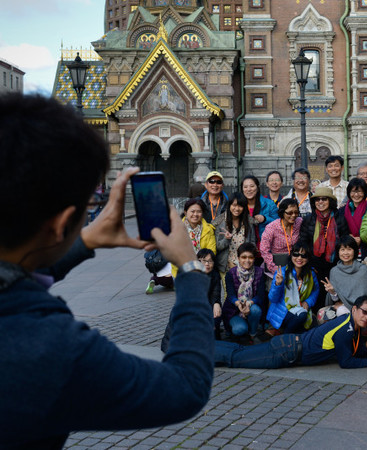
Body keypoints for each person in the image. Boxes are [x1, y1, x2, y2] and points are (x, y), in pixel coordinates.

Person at [0, 93, 213, 447]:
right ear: (63, 222)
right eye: (89, 206)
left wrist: (86, 240)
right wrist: (189, 268)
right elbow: (184, 388)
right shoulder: (45, 346)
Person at [214, 296, 367, 369]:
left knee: (240, 352)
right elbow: (346, 361)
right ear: (354, 310)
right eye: (364, 312)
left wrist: (366, 343)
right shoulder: (346, 329)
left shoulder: (349, 325)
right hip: (286, 352)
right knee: (236, 358)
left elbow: (353, 348)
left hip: (288, 345)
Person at [300, 187, 349, 311]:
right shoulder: (308, 219)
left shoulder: (339, 218)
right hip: (314, 265)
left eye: (324, 199)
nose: (320, 202)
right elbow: (304, 242)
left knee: (333, 294)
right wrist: (310, 263)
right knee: (317, 294)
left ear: (330, 201)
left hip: (334, 264)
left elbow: (344, 241)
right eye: (317, 200)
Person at [162, 249, 222, 349]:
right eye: (203, 261)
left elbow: (215, 294)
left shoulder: (214, 275)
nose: (207, 264)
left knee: (216, 314)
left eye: (210, 261)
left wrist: (216, 303)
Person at [267, 243, 318, 335]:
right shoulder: (282, 272)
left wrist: (307, 302)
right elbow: (272, 298)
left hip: (301, 307)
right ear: (291, 255)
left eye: (303, 255)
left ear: (308, 258)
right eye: (296, 254)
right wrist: (277, 284)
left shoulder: (311, 274)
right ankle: (285, 337)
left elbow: (315, 291)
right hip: (282, 312)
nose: (299, 258)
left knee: (305, 326)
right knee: (302, 316)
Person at [223, 243, 266, 342]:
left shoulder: (259, 272)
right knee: (240, 329)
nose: (247, 260)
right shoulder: (231, 273)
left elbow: (260, 295)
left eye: (250, 257)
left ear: (254, 258)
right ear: (238, 258)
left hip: (251, 306)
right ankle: (242, 326)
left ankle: (252, 333)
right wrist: (239, 305)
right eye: (244, 257)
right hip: (234, 310)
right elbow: (230, 295)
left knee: (255, 310)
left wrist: (248, 303)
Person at [321, 236, 367, 316]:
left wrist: (345, 305)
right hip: (341, 308)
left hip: (360, 310)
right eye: (342, 249)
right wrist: (332, 292)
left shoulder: (362, 270)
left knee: (341, 310)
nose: (345, 253)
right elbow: (335, 299)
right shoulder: (334, 271)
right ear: (338, 252)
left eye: (349, 249)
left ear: (355, 251)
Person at [172, 198, 216, 277]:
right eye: (192, 211)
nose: (195, 214)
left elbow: (211, 252)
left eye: (199, 211)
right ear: (185, 212)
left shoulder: (208, 230)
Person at [213, 193, 256, 274]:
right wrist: (226, 239)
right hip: (227, 266)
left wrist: (246, 261)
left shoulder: (248, 223)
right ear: (229, 205)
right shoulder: (221, 223)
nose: (237, 209)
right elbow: (217, 247)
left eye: (240, 206)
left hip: (245, 266)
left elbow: (253, 243)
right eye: (234, 205)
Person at [260, 198, 302, 276]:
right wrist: (274, 268)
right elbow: (264, 249)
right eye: (289, 213)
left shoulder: (299, 222)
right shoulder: (272, 227)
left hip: (295, 264)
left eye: (296, 212)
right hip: (275, 265)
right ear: (282, 212)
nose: (293, 215)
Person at [241, 175, 278, 241]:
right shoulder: (239, 206)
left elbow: (279, 224)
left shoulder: (269, 204)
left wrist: (265, 219)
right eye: (245, 187)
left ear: (257, 188)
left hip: (265, 244)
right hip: (245, 246)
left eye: (252, 186)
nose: (249, 189)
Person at [342, 177, 367, 260]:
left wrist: (361, 238)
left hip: (366, 248)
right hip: (346, 249)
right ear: (349, 193)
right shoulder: (342, 210)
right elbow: (339, 229)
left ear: (364, 192)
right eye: (353, 191)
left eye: (360, 192)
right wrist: (349, 237)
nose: (356, 195)